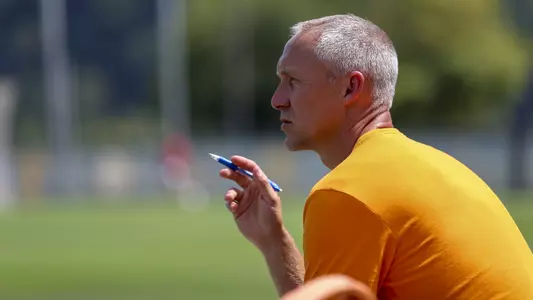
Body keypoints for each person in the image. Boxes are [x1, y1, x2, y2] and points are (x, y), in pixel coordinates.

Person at [219, 14, 533, 299]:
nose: (277, 100)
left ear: (350, 88)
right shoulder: (439, 166)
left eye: (293, 82)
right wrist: (275, 242)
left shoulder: (348, 192)